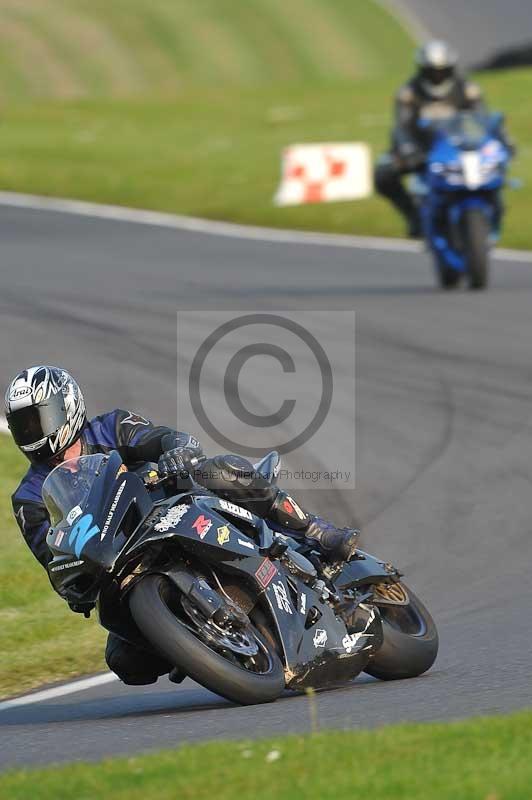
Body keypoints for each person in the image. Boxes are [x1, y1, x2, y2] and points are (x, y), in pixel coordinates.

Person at [5, 365, 358, 685]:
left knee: (219, 470)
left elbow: (162, 438)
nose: (33, 432)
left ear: (67, 406)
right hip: (119, 562)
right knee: (124, 661)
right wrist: (72, 583)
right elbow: (51, 555)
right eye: (23, 425)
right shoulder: (29, 497)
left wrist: (177, 450)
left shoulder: (111, 427)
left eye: (39, 419)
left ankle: (314, 529)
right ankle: (196, 639)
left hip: (174, 508)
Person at [375, 40, 486, 237]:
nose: (437, 75)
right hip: (420, 150)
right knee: (382, 173)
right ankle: (413, 215)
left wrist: (493, 141)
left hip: (457, 148)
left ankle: (486, 215)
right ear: (422, 69)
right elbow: (401, 126)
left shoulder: (466, 89)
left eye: (442, 71)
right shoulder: (409, 93)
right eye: (432, 71)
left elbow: (483, 120)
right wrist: (407, 149)